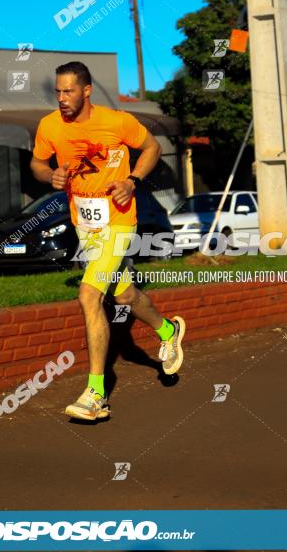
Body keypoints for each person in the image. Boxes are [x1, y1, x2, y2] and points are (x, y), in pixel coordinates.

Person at [30, 61, 185, 421]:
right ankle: (168, 330)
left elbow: (152, 148)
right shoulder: (49, 126)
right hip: (86, 225)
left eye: (68, 91)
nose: (62, 98)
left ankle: (96, 394)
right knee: (125, 295)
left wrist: (132, 180)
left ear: (86, 91)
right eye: (57, 91)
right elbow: (36, 163)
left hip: (119, 220)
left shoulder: (117, 121)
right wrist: (49, 174)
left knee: (89, 294)